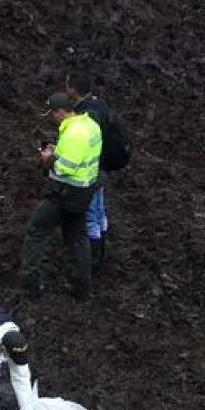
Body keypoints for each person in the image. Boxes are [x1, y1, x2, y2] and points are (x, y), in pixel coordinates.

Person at [18, 92, 102, 298]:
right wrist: (59, 150)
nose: (52, 118)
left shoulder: (74, 134)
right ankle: (82, 286)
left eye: (53, 113)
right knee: (77, 237)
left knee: (36, 230)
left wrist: (48, 158)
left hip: (64, 193)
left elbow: (65, 167)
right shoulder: (90, 125)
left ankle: (30, 285)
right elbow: (79, 156)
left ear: (62, 112)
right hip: (84, 192)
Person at [64, 71, 131, 275]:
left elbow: (87, 141)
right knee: (100, 211)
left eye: (67, 85)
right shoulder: (98, 104)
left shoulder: (87, 113)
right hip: (102, 166)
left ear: (73, 89)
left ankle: (92, 261)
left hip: (93, 169)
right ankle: (100, 252)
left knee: (91, 214)